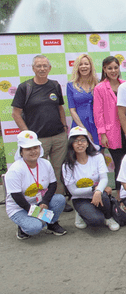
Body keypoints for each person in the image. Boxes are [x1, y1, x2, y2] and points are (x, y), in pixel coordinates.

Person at [11, 55, 69, 210]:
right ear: (33, 68)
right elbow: (16, 113)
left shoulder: (55, 85)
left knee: (58, 169)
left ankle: (58, 201)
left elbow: (60, 108)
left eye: (45, 66)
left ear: (50, 68)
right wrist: (28, 135)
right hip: (37, 141)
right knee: (37, 172)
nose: (42, 69)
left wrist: (64, 127)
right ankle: (40, 203)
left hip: (58, 136)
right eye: (38, 66)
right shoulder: (25, 87)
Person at [6, 130, 67, 239]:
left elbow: (53, 185)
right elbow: (16, 196)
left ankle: (51, 224)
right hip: (20, 207)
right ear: (21, 152)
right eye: (28, 149)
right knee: (35, 227)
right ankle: (23, 227)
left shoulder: (45, 163)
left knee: (60, 199)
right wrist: (35, 212)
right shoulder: (15, 170)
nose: (33, 151)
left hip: (39, 203)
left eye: (35, 147)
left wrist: (45, 202)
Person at [62, 127, 119, 231]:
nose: (80, 143)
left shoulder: (97, 157)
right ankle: (81, 213)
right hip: (80, 198)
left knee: (104, 195)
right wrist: (94, 189)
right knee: (96, 221)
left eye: (83, 140)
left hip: (97, 194)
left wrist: (97, 191)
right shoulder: (67, 165)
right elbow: (73, 191)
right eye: (76, 141)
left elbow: (104, 179)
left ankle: (108, 217)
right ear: (71, 145)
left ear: (88, 143)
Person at [93, 56, 126, 199]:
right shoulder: (100, 88)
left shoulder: (125, 84)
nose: (113, 71)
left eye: (115, 67)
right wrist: (102, 133)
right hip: (112, 132)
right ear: (104, 69)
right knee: (120, 164)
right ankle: (120, 197)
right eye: (109, 68)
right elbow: (98, 112)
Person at [67, 54, 99, 145]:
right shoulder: (71, 85)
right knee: (81, 152)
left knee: (98, 152)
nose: (83, 66)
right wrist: (83, 130)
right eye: (80, 64)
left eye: (86, 64)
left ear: (91, 66)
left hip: (96, 124)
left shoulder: (98, 84)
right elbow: (72, 110)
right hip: (79, 124)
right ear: (77, 67)